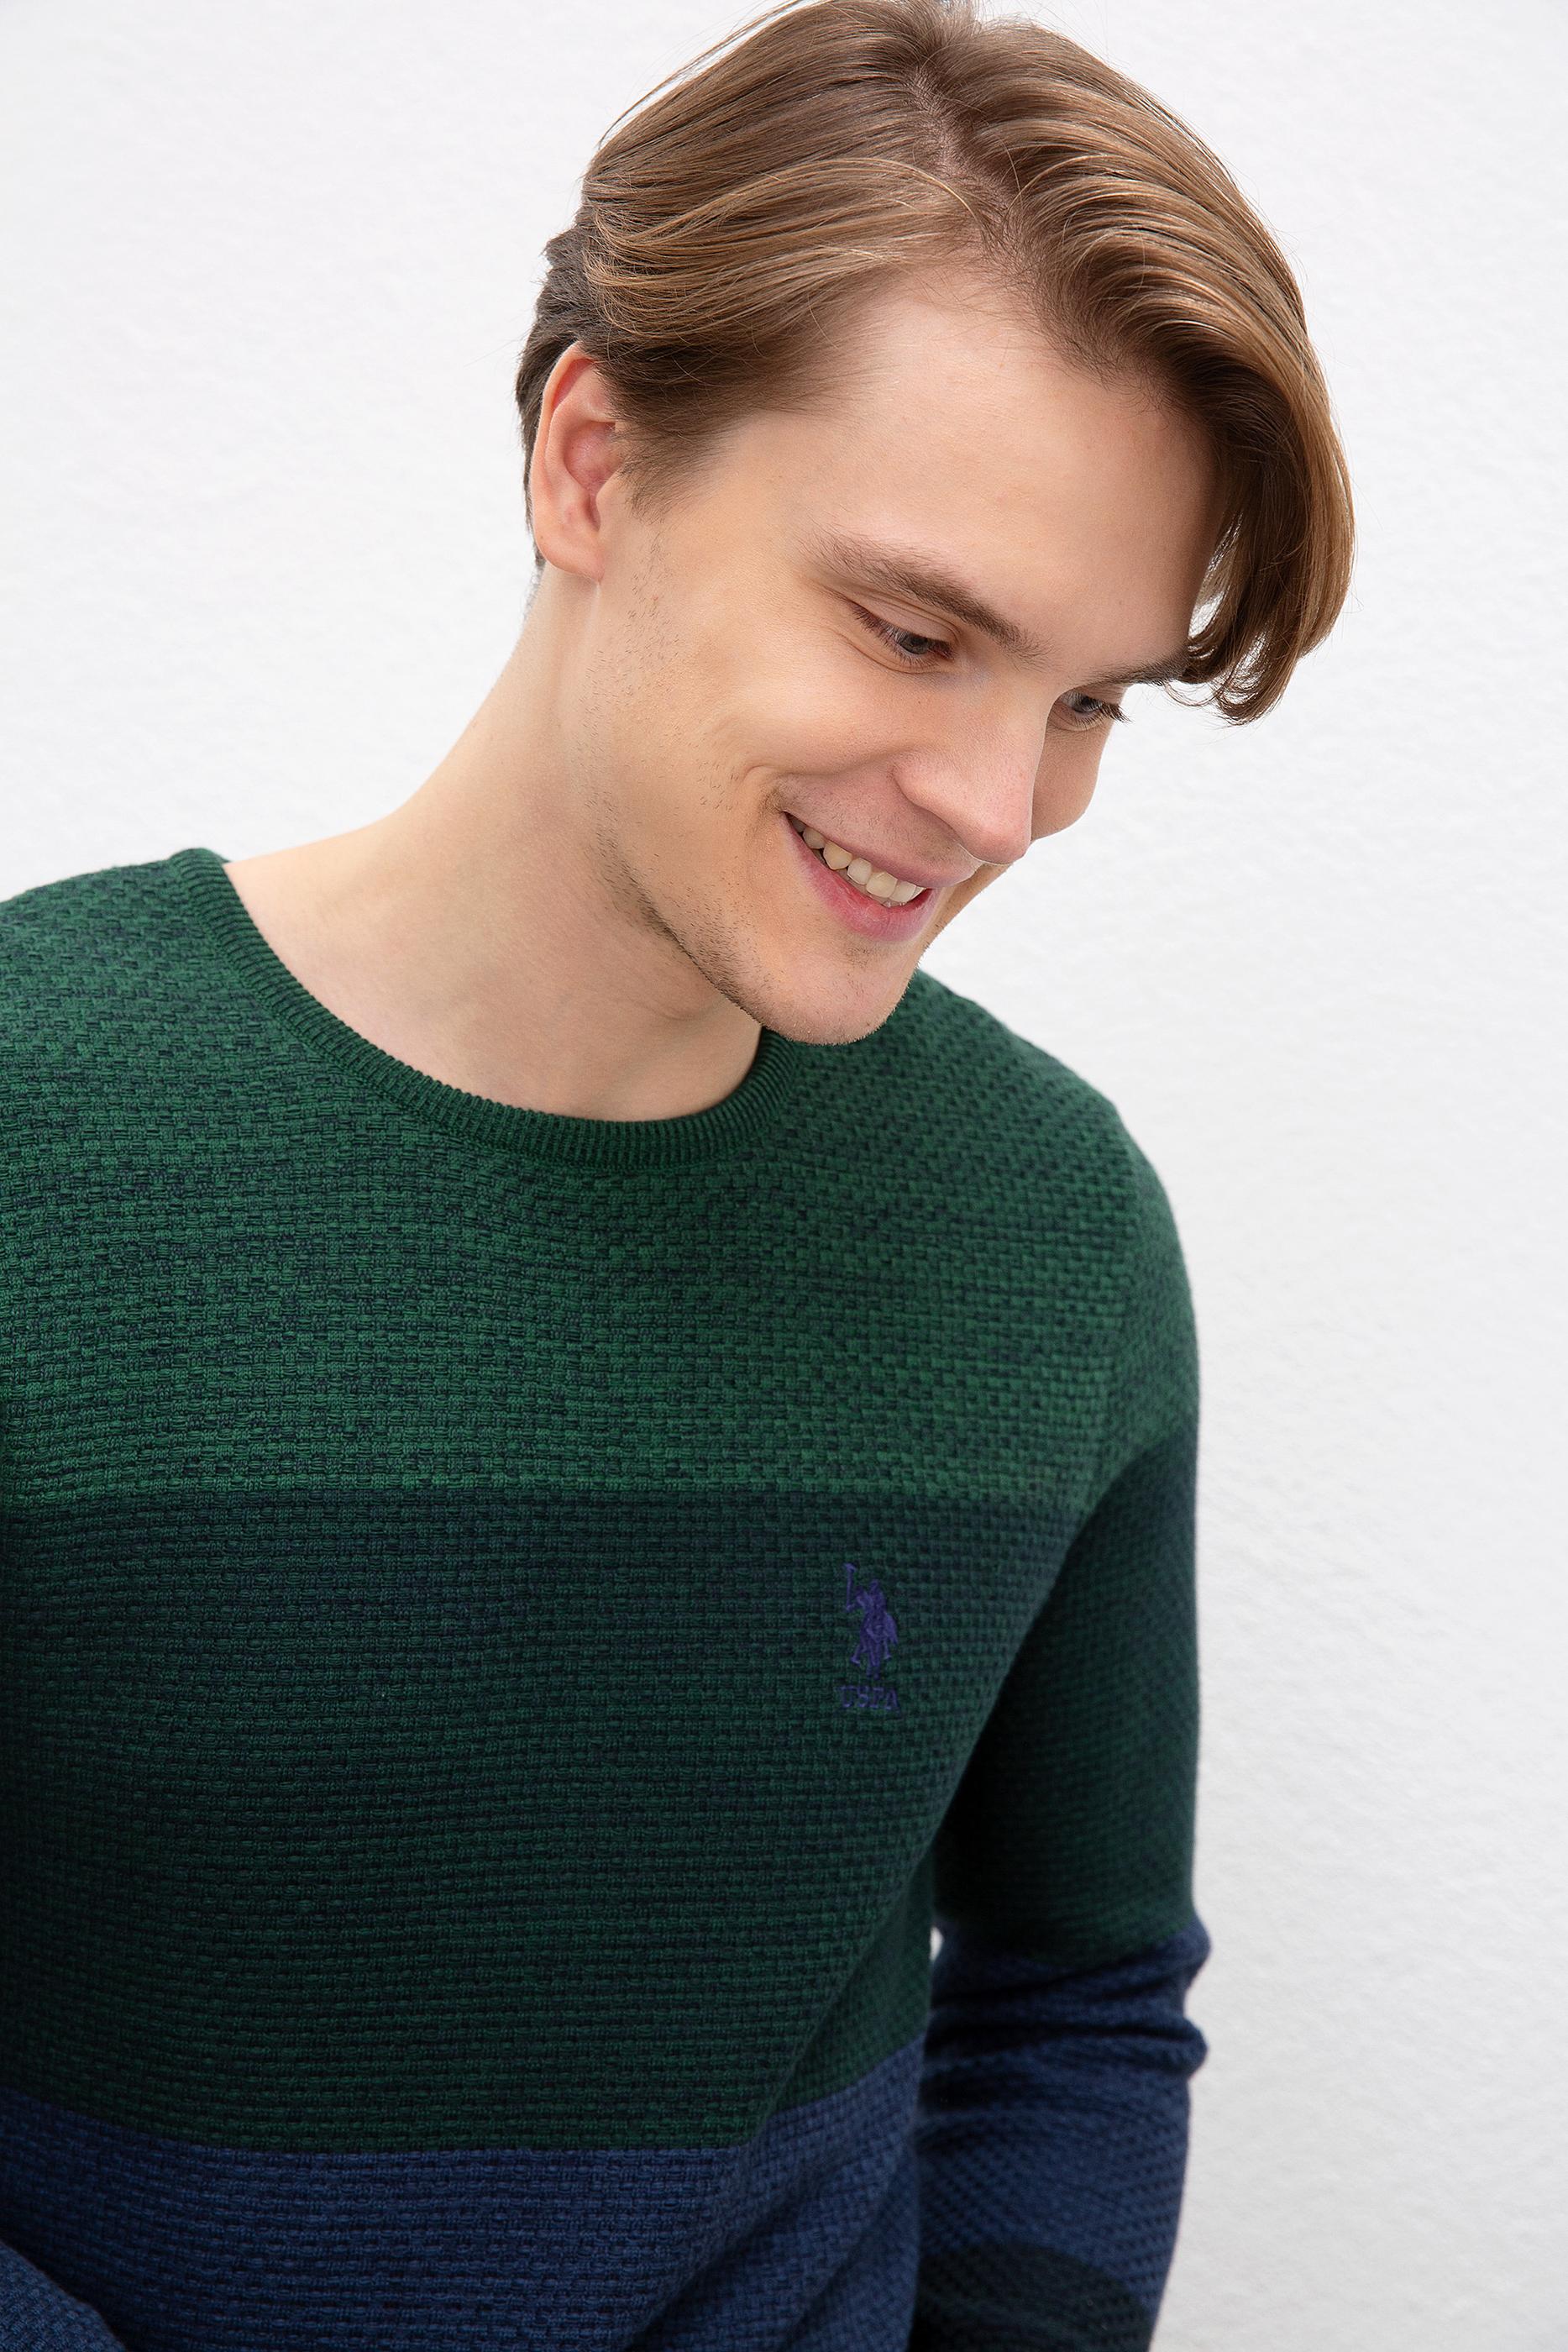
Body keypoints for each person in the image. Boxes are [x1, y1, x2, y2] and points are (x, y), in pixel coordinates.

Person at [0, 1, 1353, 2344]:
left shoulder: (1053, 1234)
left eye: (1082, 701)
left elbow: (1074, 2003)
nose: (1001, 805)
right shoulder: (42, 1125)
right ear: (594, 463)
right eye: (914, 631)